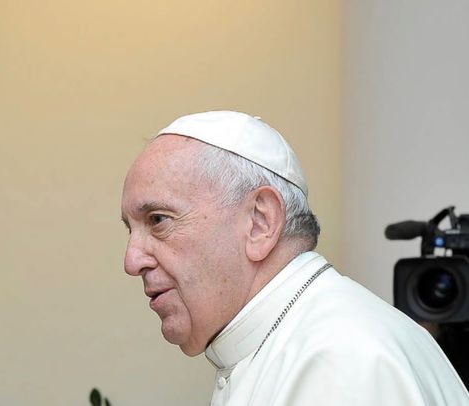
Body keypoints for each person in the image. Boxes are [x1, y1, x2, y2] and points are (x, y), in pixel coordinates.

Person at [120, 110, 469, 405]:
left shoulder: (342, 358)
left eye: (158, 220)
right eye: (130, 230)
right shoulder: (296, 339)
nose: (132, 260)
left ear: (260, 222)